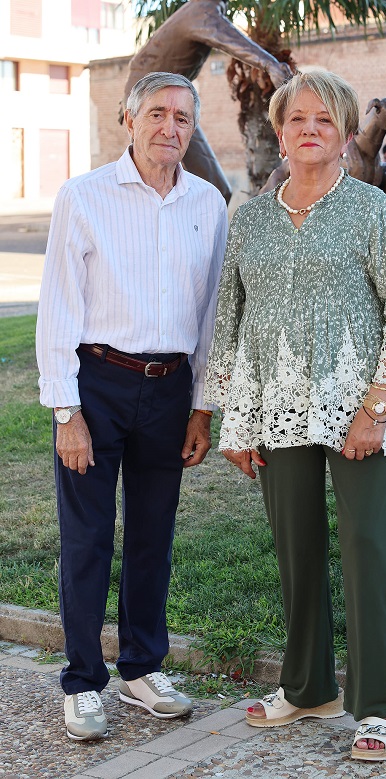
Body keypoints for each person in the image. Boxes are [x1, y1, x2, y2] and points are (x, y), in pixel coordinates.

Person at [205, 70, 386, 762]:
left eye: (325, 119)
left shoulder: (371, 210)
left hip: (362, 409)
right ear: (279, 134)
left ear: (342, 134)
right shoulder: (248, 218)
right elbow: (229, 322)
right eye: (296, 119)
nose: (309, 129)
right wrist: (236, 421)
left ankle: (380, 706)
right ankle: (308, 685)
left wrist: (375, 407)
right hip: (276, 407)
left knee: (369, 550)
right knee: (296, 549)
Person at [36, 72, 228, 741]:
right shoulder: (84, 197)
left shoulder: (208, 203)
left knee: (153, 537)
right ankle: (83, 680)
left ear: (192, 128)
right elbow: (58, 305)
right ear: (129, 119)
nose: (169, 128)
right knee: (87, 540)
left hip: (170, 389)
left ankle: (143, 667)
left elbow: (209, 318)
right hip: (98, 384)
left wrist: (202, 407)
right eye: (156, 114)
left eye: (182, 117)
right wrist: (67, 411)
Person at [120, 0, 292, 202]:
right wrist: (271, 64)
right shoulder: (201, 10)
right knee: (214, 188)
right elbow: (230, 40)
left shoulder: (199, 9)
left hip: (154, 99)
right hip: (153, 101)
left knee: (213, 188)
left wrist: (129, 96)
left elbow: (145, 58)